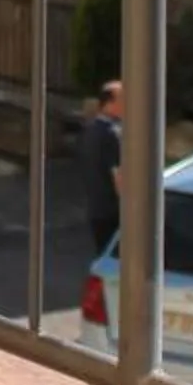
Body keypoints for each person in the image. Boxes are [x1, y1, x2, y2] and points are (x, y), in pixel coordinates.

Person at [83, 79, 125, 255]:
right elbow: (118, 176)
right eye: (123, 100)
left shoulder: (91, 130)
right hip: (113, 212)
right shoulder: (111, 134)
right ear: (110, 103)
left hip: (96, 209)